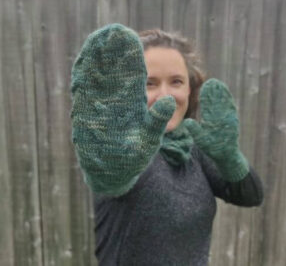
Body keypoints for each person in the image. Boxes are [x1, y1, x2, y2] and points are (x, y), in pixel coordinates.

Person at [70, 23, 263, 266]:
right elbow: (110, 176)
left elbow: (251, 196)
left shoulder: (193, 148)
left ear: (190, 88)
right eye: (150, 83)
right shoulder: (121, 148)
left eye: (176, 82)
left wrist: (230, 158)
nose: (166, 95)